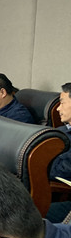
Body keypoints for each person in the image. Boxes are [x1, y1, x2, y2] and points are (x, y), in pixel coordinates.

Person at [47, 82, 71, 223]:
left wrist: (36, 168)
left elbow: (64, 172)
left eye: (62, 103)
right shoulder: (60, 131)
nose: (58, 109)